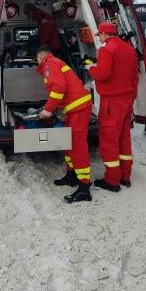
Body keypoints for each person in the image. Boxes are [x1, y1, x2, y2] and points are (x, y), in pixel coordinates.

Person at [36, 45, 93, 203]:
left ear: (41, 57)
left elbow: (59, 88)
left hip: (78, 109)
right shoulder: (56, 62)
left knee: (77, 146)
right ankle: (72, 175)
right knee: (69, 143)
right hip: (74, 108)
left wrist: (48, 109)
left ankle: (84, 188)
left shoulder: (49, 64)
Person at [88, 22, 138, 191]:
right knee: (124, 138)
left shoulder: (106, 49)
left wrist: (91, 69)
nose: (99, 38)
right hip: (126, 100)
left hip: (111, 102)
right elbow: (134, 78)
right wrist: (131, 100)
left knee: (109, 139)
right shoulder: (129, 49)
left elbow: (103, 73)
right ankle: (125, 176)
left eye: (99, 35)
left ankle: (112, 180)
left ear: (104, 34)